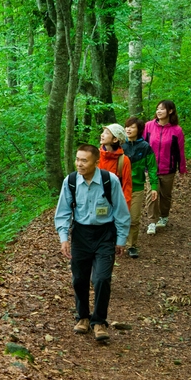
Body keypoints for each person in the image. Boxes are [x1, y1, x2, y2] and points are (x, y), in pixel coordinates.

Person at [54, 144, 131, 342]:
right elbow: (62, 212)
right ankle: (83, 317)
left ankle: (99, 321)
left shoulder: (109, 180)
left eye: (84, 160)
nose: (79, 164)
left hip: (105, 235)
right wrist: (64, 238)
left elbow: (121, 211)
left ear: (96, 162)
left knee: (101, 279)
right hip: (81, 234)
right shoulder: (70, 181)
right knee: (79, 279)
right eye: (77, 159)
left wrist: (121, 239)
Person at [143, 100, 187, 234]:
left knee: (165, 195)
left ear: (170, 111)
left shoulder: (176, 130)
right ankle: (151, 221)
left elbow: (180, 150)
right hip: (151, 169)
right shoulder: (148, 126)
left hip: (168, 169)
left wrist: (182, 168)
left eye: (162, 109)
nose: (159, 111)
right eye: (157, 109)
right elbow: (143, 145)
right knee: (152, 195)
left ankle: (163, 216)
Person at [121, 117, 159, 258]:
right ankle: (115, 243)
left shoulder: (145, 147)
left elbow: (152, 168)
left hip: (136, 187)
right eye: (127, 126)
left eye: (132, 127)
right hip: (119, 187)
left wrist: (154, 186)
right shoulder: (119, 145)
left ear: (139, 130)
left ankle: (131, 245)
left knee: (134, 218)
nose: (129, 129)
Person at [98, 124, 133, 209]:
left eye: (106, 133)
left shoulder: (123, 160)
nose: (102, 134)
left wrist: (125, 211)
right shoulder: (95, 156)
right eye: (103, 132)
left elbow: (126, 187)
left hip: (114, 203)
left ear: (115, 139)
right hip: (96, 201)